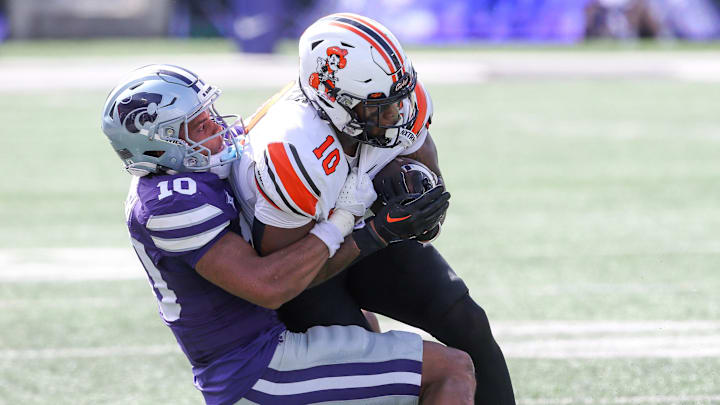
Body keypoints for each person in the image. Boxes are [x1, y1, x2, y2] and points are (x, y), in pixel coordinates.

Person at [101, 64, 473, 405]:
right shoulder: (170, 203)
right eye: (200, 126)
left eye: (210, 114)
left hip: (263, 344)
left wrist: (312, 90)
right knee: (452, 370)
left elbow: (254, 129)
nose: (216, 126)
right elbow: (268, 286)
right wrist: (348, 220)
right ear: (160, 145)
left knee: (366, 327)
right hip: (253, 369)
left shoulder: (189, 170)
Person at [229, 13, 516, 405]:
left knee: (464, 319)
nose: (396, 116)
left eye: (398, 102)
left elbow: (428, 189)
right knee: (372, 376)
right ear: (333, 100)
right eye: (378, 108)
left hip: (364, 233)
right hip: (301, 265)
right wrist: (375, 233)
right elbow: (286, 282)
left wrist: (418, 198)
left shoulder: (396, 100)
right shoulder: (292, 147)